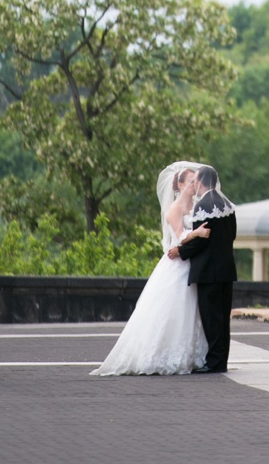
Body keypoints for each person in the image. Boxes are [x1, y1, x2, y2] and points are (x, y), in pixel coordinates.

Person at [91, 161, 212, 377]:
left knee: (191, 309)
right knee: (173, 307)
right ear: (180, 185)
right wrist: (196, 233)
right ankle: (163, 355)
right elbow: (179, 235)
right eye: (191, 181)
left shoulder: (196, 207)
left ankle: (193, 354)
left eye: (196, 181)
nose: (195, 185)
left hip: (191, 262)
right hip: (177, 263)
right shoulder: (174, 209)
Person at [168, 164, 237, 373]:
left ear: (202, 181)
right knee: (223, 318)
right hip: (226, 269)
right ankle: (221, 360)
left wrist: (181, 252)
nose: (194, 184)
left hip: (208, 271)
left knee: (211, 317)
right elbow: (231, 235)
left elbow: (201, 240)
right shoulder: (227, 203)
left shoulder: (203, 205)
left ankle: (215, 363)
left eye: (196, 180)